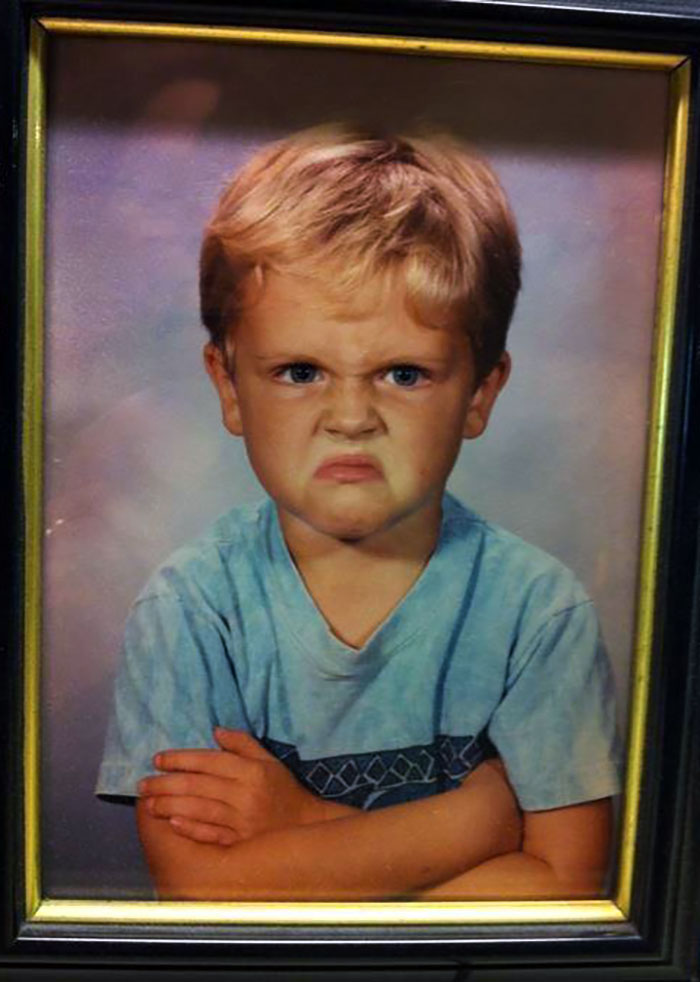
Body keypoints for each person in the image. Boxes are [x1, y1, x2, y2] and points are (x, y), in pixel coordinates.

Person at [96, 126, 621, 901]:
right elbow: (201, 890)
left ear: (480, 392)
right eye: (300, 371)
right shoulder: (193, 610)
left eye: (404, 373)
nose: (350, 416)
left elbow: (564, 885)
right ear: (229, 386)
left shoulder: (538, 613)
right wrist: (475, 822)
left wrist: (303, 822)